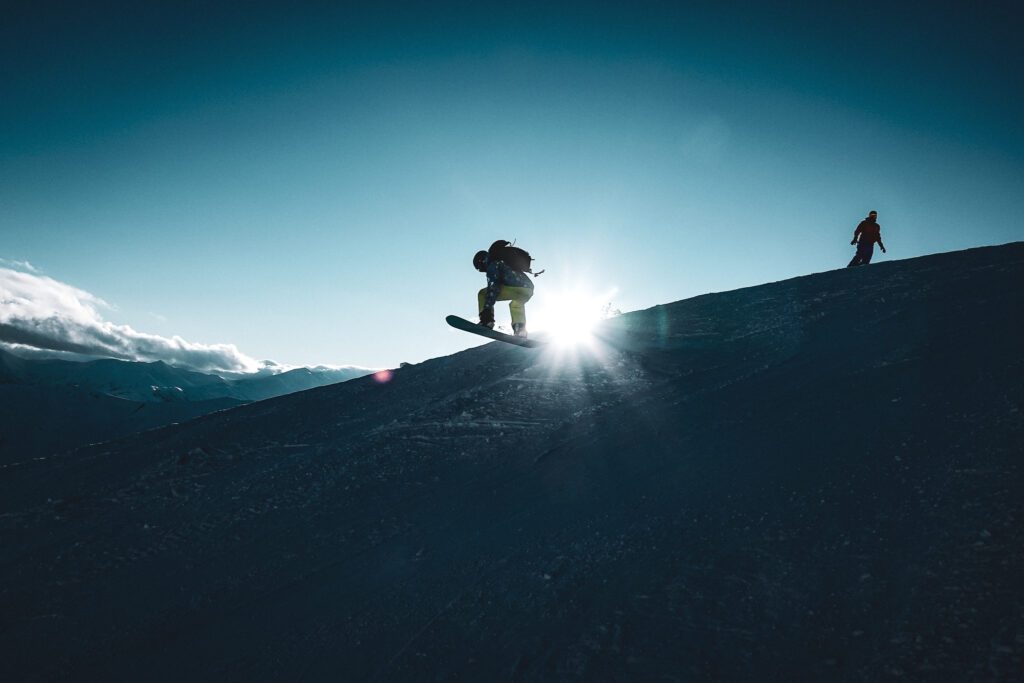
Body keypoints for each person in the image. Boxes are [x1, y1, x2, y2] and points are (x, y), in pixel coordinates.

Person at [473, 241, 535, 338]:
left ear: (481, 262)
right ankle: (520, 331)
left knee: (483, 294)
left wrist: (486, 312)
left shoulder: (492, 263)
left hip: (516, 288)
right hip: (528, 290)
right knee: (515, 304)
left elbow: (493, 287)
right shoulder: (505, 262)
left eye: (480, 269)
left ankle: (486, 322)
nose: (482, 270)